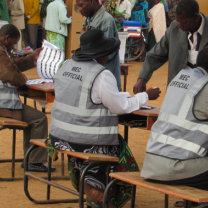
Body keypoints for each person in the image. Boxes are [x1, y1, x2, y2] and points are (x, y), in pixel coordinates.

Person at [48, 29, 161, 208]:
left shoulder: (67, 65)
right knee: (120, 149)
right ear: (102, 54)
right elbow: (119, 106)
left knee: (114, 143)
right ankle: (104, 193)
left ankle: (90, 183)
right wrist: (145, 96)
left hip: (58, 136)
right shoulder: (101, 75)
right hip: (85, 141)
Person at [141, 47, 208, 208]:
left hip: (152, 163)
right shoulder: (205, 85)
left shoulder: (181, 77)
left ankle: (191, 202)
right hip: (175, 167)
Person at [0, 24, 56, 172]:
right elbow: (11, 74)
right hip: (3, 106)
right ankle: (34, 161)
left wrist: (30, 58)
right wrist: (23, 79)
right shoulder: (0, 52)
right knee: (39, 119)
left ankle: (30, 158)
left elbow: (10, 65)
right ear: (7, 38)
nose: (13, 47)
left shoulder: (2, 51)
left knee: (32, 119)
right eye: (13, 43)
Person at [133, 0, 208, 94]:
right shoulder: (174, 28)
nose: (180, 26)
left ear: (195, 17)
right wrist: (142, 78)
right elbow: (155, 55)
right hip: (178, 91)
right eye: (178, 21)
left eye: (184, 22)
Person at [77, 0, 122, 91]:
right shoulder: (89, 19)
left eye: (81, 5)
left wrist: (83, 36)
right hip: (94, 75)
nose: (79, 9)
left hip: (106, 77)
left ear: (91, 2)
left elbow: (107, 54)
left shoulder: (106, 20)